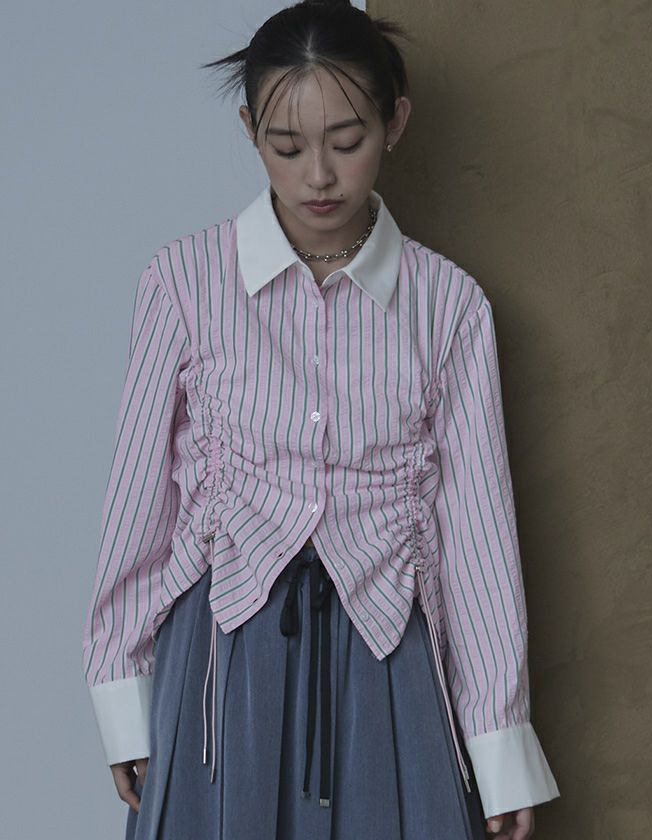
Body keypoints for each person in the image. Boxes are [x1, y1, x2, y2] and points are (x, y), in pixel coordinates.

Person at [82, 0, 561, 837]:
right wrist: (121, 695)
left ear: (394, 123)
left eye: (346, 142)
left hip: (388, 657)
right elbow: (137, 505)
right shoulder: (182, 284)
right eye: (287, 147)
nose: (319, 177)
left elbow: (479, 537)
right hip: (223, 661)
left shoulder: (449, 308)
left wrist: (499, 748)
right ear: (249, 131)